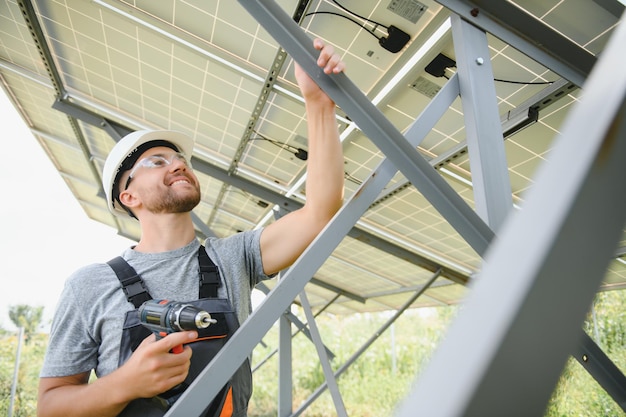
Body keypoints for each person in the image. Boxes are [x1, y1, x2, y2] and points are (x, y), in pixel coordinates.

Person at [37, 37, 345, 417]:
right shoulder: (89, 286)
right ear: (128, 197)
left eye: (180, 158)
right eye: (156, 161)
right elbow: (51, 406)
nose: (178, 164)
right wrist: (125, 384)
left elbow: (320, 212)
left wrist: (318, 103)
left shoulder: (235, 257)